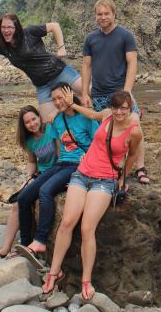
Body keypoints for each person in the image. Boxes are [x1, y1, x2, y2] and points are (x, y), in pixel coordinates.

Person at [41, 89, 143, 299]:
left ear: (130, 109)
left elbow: (132, 155)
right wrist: (72, 105)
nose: (118, 113)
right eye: (116, 108)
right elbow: (91, 115)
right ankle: (53, 272)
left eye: (123, 109)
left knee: (87, 228)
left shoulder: (134, 131)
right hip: (82, 173)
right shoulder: (106, 115)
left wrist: (122, 178)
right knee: (68, 222)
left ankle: (86, 280)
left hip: (105, 180)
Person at [15, 83, 100, 267]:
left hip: (78, 165)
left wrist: (89, 159)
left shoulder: (85, 118)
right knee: (23, 198)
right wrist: (35, 175)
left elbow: (98, 143)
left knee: (45, 191)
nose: (57, 102)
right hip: (61, 164)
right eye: (54, 99)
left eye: (60, 97)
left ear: (70, 95)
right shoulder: (57, 120)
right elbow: (60, 149)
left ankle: (41, 241)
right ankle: (25, 244)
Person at [81, 0, 149, 184]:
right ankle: (108, 166)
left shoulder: (125, 36)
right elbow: (86, 66)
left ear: (113, 14)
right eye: (99, 14)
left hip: (120, 91)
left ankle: (140, 167)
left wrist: (127, 92)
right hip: (99, 94)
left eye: (106, 13)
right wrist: (85, 93)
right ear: (95, 16)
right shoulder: (91, 39)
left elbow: (132, 63)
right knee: (105, 132)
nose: (102, 17)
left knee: (134, 126)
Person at [0, 13, 82, 122]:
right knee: (48, 122)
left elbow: (54, 26)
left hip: (60, 71)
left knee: (90, 93)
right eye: (3, 27)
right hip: (43, 86)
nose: (6, 30)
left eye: (10, 27)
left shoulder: (29, 32)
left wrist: (61, 47)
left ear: (16, 27)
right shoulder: (2, 46)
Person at [0, 104, 58, 260]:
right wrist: (27, 177)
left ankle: (27, 243)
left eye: (34, 119)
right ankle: (6, 247)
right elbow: (32, 161)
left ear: (39, 117)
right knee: (16, 204)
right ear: (23, 125)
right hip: (41, 174)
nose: (32, 124)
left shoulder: (51, 129)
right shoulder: (29, 141)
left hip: (57, 171)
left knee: (27, 198)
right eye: (27, 122)